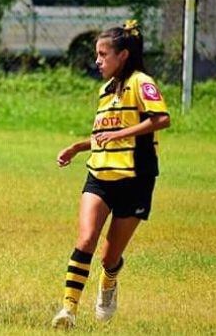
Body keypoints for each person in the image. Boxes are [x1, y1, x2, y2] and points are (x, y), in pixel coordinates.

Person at [50, 20, 170, 329]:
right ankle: (68, 310)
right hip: (99, 175)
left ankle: (109, 279)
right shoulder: (105, 90)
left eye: (104, 54)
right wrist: (79, 146)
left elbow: (161, 119)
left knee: (108, 257)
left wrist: (121, 135)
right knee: (86, 239)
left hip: (136, 178)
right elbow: (104, 135)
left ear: (124, 55)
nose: (98, 60)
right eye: (97, 54)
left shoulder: (141, 82)